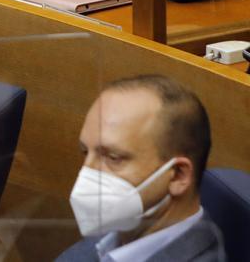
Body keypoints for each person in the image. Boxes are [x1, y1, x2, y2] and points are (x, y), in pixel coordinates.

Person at [58, 75, 223, 261]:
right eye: (85, 152)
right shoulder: (110, 237)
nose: (86, 174)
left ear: (178, 175)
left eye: (113, 158)